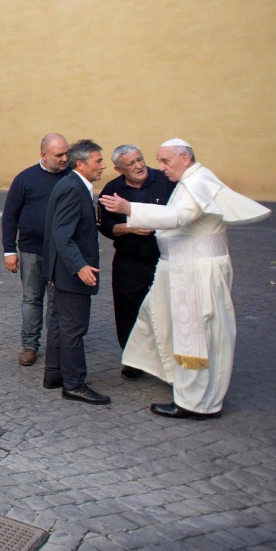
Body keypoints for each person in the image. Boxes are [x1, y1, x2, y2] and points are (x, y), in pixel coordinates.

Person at [101, 139, 269, 419]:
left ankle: (195, 403)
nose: (160, 167)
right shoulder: (190, 179)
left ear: (186, 159)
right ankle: (185, 385)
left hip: (194, 272)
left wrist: (130, 209)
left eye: (165, 161)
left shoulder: (197, 181)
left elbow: (180, 216)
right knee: (157, 319)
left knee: (196, 335)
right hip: (184, 268)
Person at [96, 145, 176, 379]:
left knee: (165, 308)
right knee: (128, 310)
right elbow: (106, 226)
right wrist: (128, 228)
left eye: (140, 159)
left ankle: (167, 359)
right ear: (119, 169)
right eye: (131, 164)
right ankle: (133, 360)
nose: (139, 166)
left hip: (163, 257)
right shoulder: (112, 190)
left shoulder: (165, 181)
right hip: (129, 260)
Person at [42, 139, 110, 404]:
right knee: (74, 328)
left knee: (61, 325)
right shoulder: (73, 188)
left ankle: (55, 373)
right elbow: (62, 233)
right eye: (98, 161)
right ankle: (74, 383)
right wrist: (80, 265)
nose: (103, 166)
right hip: (71, 272)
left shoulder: (73, 185)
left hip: (63, 270)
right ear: (80, 164)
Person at [1, 133, 70, 366]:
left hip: (61, 252)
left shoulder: (71, 178)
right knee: (31, 299)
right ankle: (29, 346)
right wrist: (9, 250)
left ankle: (56, 346)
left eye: (66, 153)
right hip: (31, 250)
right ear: (43, 155)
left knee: (56, 301)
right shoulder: (25, 179)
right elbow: (10, 215)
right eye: (59, 155)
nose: (65, 158)